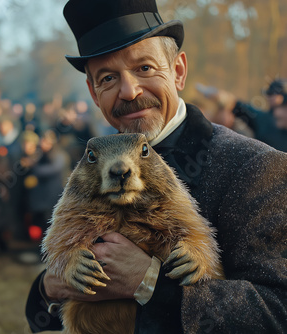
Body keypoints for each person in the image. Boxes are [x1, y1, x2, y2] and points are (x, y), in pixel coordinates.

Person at [25, 1, 287, 333]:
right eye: (108, 77)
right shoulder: (93, 164)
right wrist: (48, 288)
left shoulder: (259, 167)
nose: (129, 91)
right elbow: (48, 310)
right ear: (93, 92)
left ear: (177, 71)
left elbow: (278, 312)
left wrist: (150, 283)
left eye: (145, 68)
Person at [200, 79, 287, 152]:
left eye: (281, 107)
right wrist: (218, 96)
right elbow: (237, 106)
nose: (276, 113)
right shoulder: (265, 121)